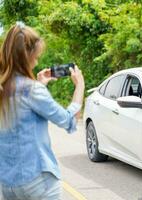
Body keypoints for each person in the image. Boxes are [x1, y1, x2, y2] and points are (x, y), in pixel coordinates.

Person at [0, 22, 85, 200]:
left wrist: (39, 85)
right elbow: (68, 120)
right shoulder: (32, 90)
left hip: (8, 184)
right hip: (38, 182)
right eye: (36, 57)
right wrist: (80, 87)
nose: (37, 61)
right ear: (26, 56)